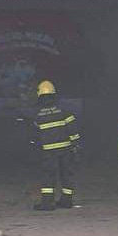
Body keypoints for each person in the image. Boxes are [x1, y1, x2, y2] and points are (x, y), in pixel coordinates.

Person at [31, 80, 81, 212]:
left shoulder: (37, 114)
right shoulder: (64, 110)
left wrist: (36, 148)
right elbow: (73, 129)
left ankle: (47, 203)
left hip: (48, 151)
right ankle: (67, 201)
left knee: (48, 175)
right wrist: (75, 145)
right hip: (65, 149)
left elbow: (35, 135)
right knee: (66, 174)